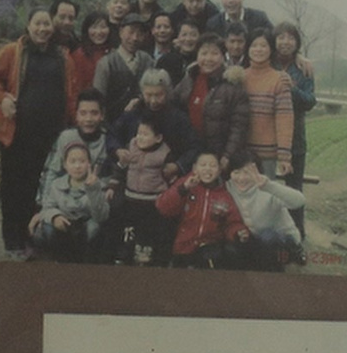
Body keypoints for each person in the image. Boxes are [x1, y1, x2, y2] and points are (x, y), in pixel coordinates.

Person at [0, 8, 71, 259]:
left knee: (38, 188)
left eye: (47, 24)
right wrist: (2, 98)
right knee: (13, 188)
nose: (43, 29)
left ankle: (31, 236)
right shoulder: (13, 51)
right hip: (17, 134)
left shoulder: (61, 56)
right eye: (37, 23)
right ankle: (12, 240)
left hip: (49, 136)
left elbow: (69, 93)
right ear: (28, 26)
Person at [157, 149, 250, 269]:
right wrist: (183, 188)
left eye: (212, 166)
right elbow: (163, 207)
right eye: (203, 165)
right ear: (195, 168)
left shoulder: (224, 195)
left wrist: (238, 232)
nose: (207, 169)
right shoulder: (185, 185)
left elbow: (232, 223)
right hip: (182, 247)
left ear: (219, 170)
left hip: (209, 247)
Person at [108, 111, 180, 265]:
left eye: (145, 134)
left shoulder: (164, 154)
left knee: (149, 230)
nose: (140, 137)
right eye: (138, 133)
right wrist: (112, 185)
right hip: (131, 198)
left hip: (153, 201)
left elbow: (171, 179)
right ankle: (126, 254)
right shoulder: (131, 146)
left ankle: (150, 257)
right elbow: (120, 168)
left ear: (158, 138)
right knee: (130, 229)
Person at [176, 34, 251, 176]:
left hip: (218, 155)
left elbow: (239, 126)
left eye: (214, 53)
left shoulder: (233, 85)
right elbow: (172, 104)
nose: (208, 59)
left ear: (223, 56)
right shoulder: (189, 78)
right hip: (190, 152)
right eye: (204, 53)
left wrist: (228, 155)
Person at [29, 141, 108, 263]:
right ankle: (59, 260)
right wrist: (55, 217)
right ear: (65, 165)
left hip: (85, 227)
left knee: (94, 228)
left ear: (89, 164)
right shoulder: (57, 184)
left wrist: (93, 190)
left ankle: (88, 263)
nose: (77, 166)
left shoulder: (98, 185)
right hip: (65, 228)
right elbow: (47, 208)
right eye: (73, 162)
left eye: (82, 161)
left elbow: (101, 216)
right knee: (45, 229)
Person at [274, 22, 318, 231]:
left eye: (290, 38)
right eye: (281, 37)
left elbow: (310, 101)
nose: (285, 42)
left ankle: (297, 236)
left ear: (297, 43)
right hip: (267, 136)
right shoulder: (265, 62)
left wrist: (292, 89)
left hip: (295, 139)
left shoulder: (303, 69)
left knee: (294, 189)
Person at [226, 159, 307, 270]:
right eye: (236, 172)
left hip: (280, 237)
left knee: (267, 236)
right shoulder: (229, 188)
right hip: (254, 239)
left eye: (247, 173)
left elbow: (299, 201)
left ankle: (286, 261)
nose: (241, 178)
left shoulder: (266, 189)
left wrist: (269, 186)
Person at [241, 30, 297, 181]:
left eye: (263, 46)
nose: (258, 50)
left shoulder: (279, 80)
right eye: (254, 45)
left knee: (265, 198)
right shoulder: (240, 77)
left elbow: (285, 119)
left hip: (267, 156)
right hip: (241, 152)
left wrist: (284, 156)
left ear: (271, 49)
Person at [42, 90, 111, 192]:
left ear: (102, 115)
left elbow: (109, 180)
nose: (88, 119)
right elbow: (52, 172)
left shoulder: (108, 140)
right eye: (83, 113)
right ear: (76, 115)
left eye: (94, 113)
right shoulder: (66, 137)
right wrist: (46, 204)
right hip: (65, 197)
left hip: (94, 198)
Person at [93, 16, 155, 120]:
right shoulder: (106, 63)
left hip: (143, 122)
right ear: (121, 32)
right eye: (130, 32)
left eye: (139, 34)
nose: (135, 38)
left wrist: (140, 100)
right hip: (112, 122)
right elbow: (98, 99)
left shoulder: (147, 60)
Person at [63, 18, 113, 115]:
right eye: (94, 27)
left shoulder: (114, 54)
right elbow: (73, 91)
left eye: (103, 27)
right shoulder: (79, 55)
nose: (99, 32)